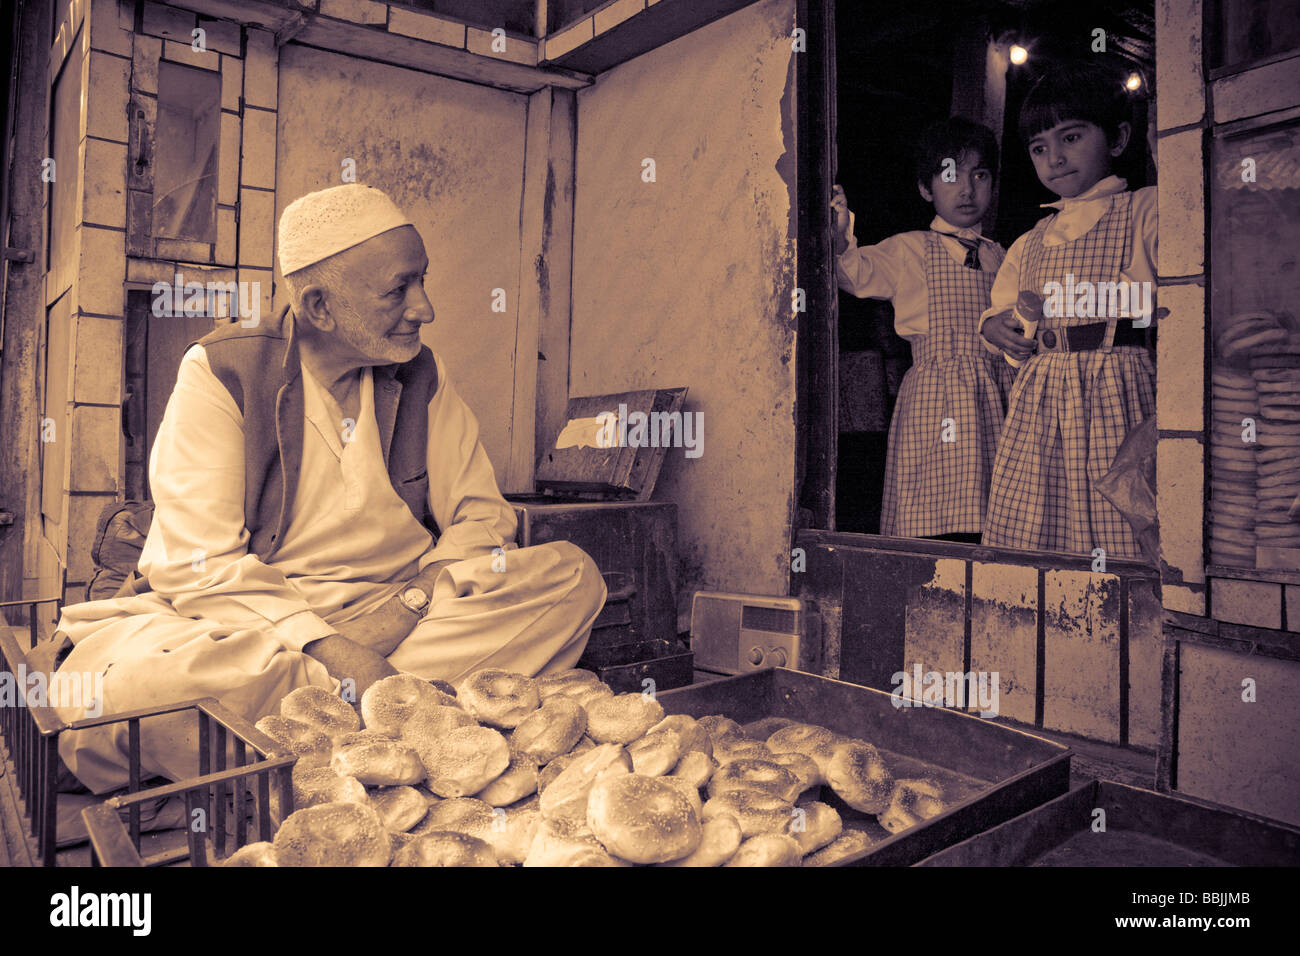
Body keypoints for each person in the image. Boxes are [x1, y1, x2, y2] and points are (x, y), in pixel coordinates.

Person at [39, 184, 607, 793]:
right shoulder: (221, 371)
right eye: (399, 289)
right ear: (318, 306)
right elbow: (199, 567)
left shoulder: (422, 376)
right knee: (142, 688)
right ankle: (406, 715)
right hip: (254, 626)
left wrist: (411, 602)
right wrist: (330, 648)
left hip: (406, 611)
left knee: (571, 577)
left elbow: (481, 519)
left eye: (423, 281)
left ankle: (313, 738)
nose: (425, 308)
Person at [979, 63, 1157, 558]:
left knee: (1121, 515)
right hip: (1043, 399)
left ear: (1118, 138)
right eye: (1039, 148)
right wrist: (997, 330)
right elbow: (1005, 320)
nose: (1054, 158)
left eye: (1071, 136)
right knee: (1037, 520)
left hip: (1119, 389)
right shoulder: (1028, 243)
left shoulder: (1147, 210)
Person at [831, 117, 1010, 542]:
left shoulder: (1003, 255)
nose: (966, 189)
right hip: (935, 398)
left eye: (979, 175)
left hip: (997, 394)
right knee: (934, 521)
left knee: (995, 523)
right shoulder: (910, 248)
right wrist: (840, 237)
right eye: (950, 175)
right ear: (927, 188)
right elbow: (854, 273)